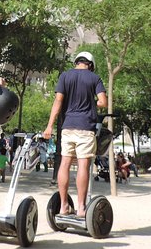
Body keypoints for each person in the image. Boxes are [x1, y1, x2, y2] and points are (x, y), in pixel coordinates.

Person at [43, 51, 107, 217]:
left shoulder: (65, 76)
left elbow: (58, 101)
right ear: (90, 64)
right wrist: (90, 102)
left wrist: (49, 126)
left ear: (76, 62)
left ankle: (64, 206)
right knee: (83, 166)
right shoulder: (95, 78)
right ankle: (81, 208)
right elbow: (103, 102)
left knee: (64, 163)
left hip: (68, 126)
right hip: (86, 127)